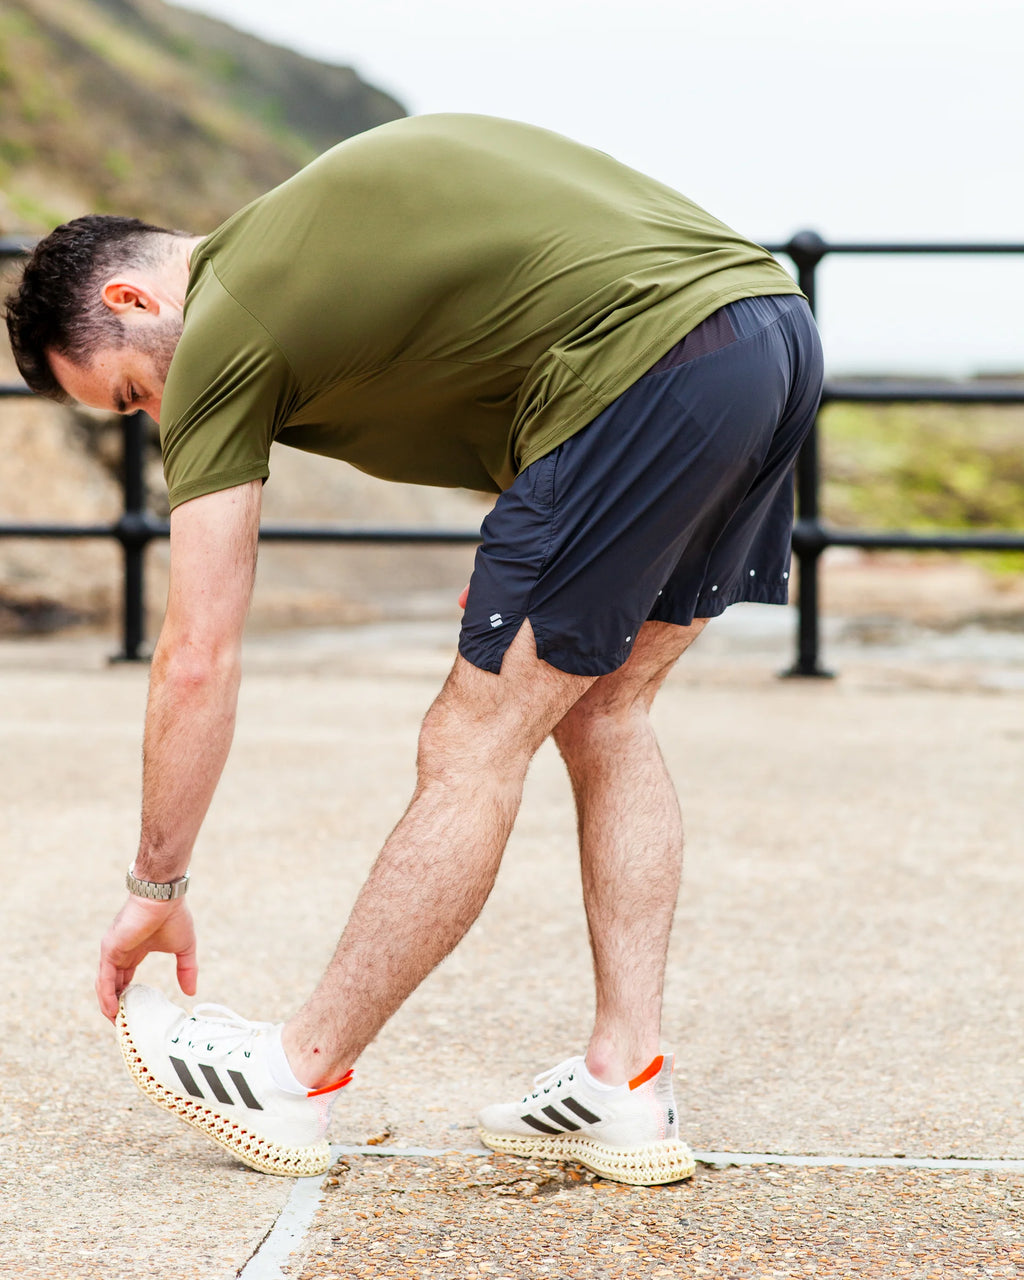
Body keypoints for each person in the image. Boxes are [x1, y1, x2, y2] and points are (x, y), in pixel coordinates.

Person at [5, 114, 822, 1185]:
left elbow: (197, 651)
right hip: (765, 334)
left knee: (469, 738)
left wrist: (156, 884)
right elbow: (515, 306)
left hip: (648, 367)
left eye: (129, 393)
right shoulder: (300, 247)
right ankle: (627, 1076)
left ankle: (294, 1076)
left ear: (133, 300)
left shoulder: (224, 323)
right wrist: (533, 517)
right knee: (602, 708)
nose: (154, 417)